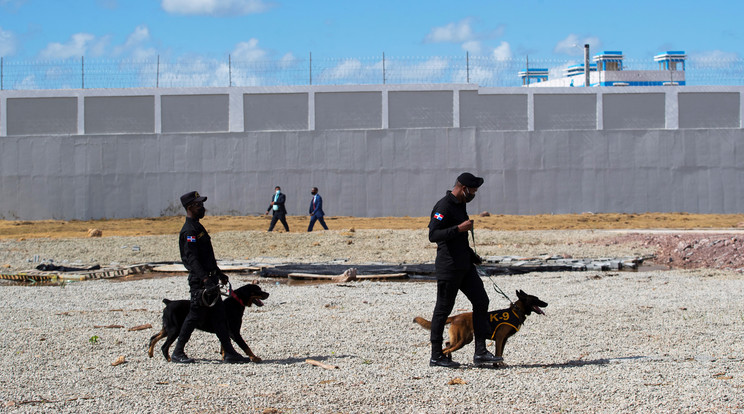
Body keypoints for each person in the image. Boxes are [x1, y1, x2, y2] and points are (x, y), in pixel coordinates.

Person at [426, 173, 503, 368]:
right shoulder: (443, 206)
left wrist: (471, 255)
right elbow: (433, 234)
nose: (474, 194)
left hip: (465, 266)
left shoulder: (461, 205)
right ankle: (436, 356)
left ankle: (480, 352)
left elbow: (459, 240)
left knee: (482, 301)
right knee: (443, 309)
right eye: (473, 191)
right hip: (449, 267)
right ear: (462, 188)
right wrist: (459, 229)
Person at [170, 191, 249, 364]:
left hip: (211, 280)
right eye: (199, 205)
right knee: (194, 316)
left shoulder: (198, 227)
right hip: (201, 283)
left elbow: (207, 257)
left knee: (220, 317)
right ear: (190, 207)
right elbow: (192, 259)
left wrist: (218, 274)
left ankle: (229, 352)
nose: (203, 208)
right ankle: (178, 351)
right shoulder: (189, 230)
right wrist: (205, 280)